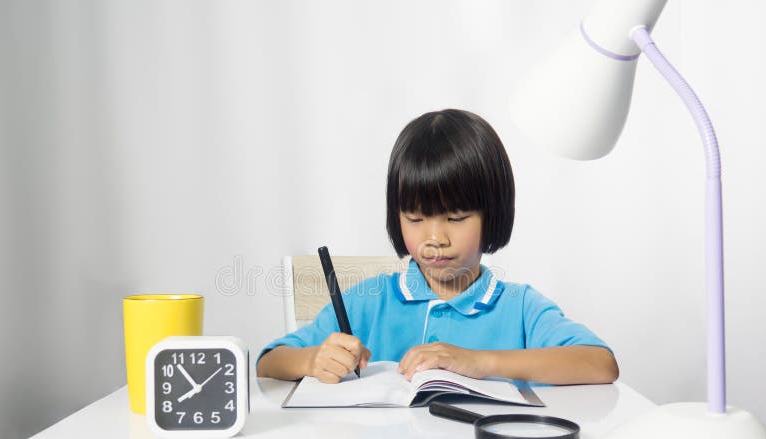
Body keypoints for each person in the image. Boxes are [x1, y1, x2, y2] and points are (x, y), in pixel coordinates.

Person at [257, 109, 618, 385]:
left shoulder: (519, 307)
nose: (435, 238)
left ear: (493, 213)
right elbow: (269, 361)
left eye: (456, 218)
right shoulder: (367, 302)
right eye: (415, 219)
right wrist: (310, 361)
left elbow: (600, 364)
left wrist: (479, 361)